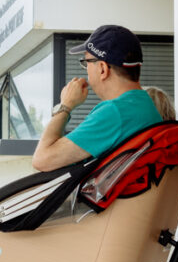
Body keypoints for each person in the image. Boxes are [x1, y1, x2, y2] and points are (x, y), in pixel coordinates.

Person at [32, 24, 162, 171]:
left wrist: (65, 106)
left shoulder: (115, 113)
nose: (86, 70)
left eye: (86, 62)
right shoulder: (145, 105)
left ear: (102, 69)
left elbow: (42, 159)